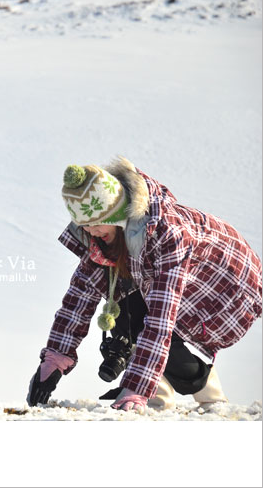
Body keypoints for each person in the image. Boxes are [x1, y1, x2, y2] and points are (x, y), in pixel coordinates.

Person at [27, 157, 262, 412]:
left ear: (115, 213)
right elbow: (80, 295)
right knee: (124, 317)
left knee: (144, 321)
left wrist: (136, 387)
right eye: (85, 225)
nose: (91, 231)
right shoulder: (104, 239)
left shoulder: (168, 233)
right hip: (178, 281)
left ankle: (209, 396)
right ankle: (157, 399)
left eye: (96, 222)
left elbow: (161, 320)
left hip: (226, 287)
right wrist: (55, 359)